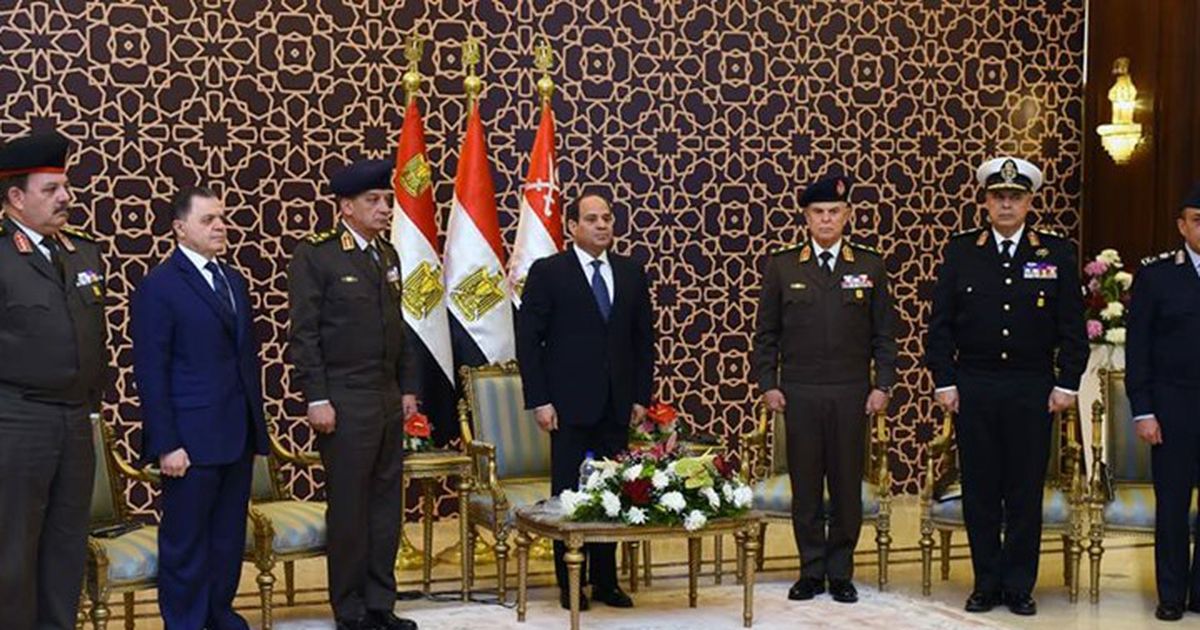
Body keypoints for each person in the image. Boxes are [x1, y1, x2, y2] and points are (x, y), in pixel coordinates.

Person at [926, 157, 1088, 616]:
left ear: (1029, 202)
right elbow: (940, 326)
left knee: (1023, 490)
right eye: (998, 196)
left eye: (1015, 197)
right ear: (985, 201)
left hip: (1031, 386)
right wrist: (945, 380)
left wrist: (1067, 383)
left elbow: (1072, 329)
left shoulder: (1055, 252)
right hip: (974, 384)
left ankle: (1018, 585)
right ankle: (986, 582)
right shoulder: (962, 251)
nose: (1006, 205)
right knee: (979, 490)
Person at [750, 174, 898, 604]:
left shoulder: (869, 265)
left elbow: (884, 334)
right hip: (800, 392)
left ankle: (841, 572)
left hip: (852, 392)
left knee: (848, 485)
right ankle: (811, 571)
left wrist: (883, 384)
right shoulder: (783, 266)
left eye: (834, 211)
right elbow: (766, 334)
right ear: (806, 217)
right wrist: (768, 384)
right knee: (807, 486)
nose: (827, 219)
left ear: (848, 215)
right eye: (818, 212)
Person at [287, 159, 420, 630]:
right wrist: (316, 397)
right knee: (349, 507)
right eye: (373, 201)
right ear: (346, 207)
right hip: (344, 398)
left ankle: (381, 602)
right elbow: (305, 335)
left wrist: (407, 388)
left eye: (387, 200)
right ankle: (350, 607)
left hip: (385, 396)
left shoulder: (387, 254)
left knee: (386, 506)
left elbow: (399, 328)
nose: (385, 208)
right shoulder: (317, 255)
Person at [131, 187, 269, 629]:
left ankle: (219, 615)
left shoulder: (233, 280)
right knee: (186, 543)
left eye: (222, 218)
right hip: (189, 441)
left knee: (227, 540)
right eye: (208, 220)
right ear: (180, 228)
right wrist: (166, 443)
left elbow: (244, 359)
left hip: (236, 434)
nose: (220, 227)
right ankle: (186, 623)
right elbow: (151, 371)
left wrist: (255, 429)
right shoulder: (159, 286)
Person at [516, 190, 654, 611]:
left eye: (607, 218)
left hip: (616, 404)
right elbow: (529, 341)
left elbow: (643, 341)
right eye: (592, 219)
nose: (602, 225)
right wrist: (540, 400)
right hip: (567, 405)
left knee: (612, 492)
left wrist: (640, 396)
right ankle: (570, 583)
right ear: (572, 226)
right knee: (569, 495)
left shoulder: (631, 272)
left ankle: (606, 582)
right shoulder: (548, 272)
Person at [0, 131, 107, 630]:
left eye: (65, 186)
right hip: (16, 420)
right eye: (51, 189)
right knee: (13, 550)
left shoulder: (82, 252)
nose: (66, 197)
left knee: (66, 546)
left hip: (74, 421)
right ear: (16, 197)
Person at [1125, 181, 1200, 622]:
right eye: (1197, 221)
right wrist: (1143, 409)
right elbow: (1138, 349)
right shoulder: (1157, 276)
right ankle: (1171, 595)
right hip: (1172, 408)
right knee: (1171, 506)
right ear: (1182, 226)